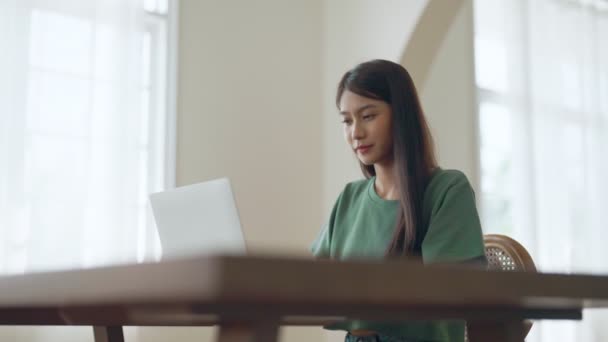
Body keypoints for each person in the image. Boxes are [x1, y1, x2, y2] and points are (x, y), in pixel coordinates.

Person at [311, 59, 487, 342]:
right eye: (346, 120)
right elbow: (311, 285)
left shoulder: (446, 190)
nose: (355, 132)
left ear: (401, 115)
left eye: (368, 116)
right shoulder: (349, 199)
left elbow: (450, 292)